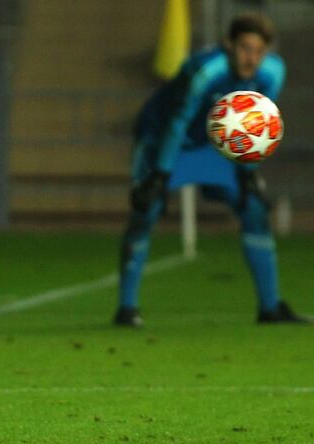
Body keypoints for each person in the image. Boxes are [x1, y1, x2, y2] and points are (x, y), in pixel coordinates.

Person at [114, 12, 310, 327]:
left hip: (212, 147)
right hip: (167, 141)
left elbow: (258, 127)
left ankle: (270, 307)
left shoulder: (273, 72)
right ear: (228, 45)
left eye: (259, 51)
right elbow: (177, 120)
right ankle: (126, 308)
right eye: (246, 48)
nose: (252, 58)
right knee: (145, 211)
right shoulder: (206, 71)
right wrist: (161, 176)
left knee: (254, 209)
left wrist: (248, 172)